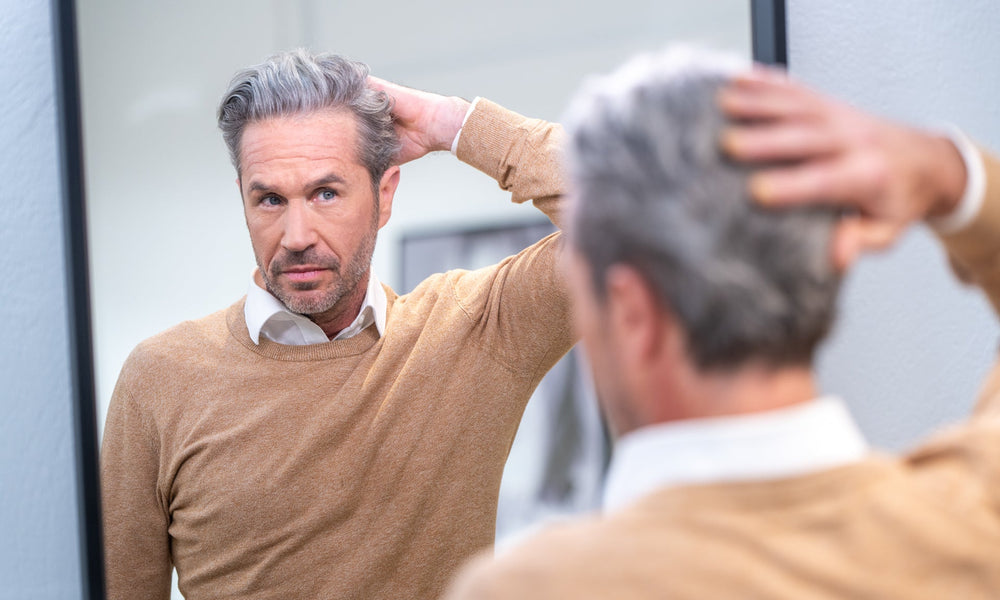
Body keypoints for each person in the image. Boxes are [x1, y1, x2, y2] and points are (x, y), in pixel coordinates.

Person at [443, 47, 1000, 599]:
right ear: (833, 254)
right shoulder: (974, 519)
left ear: (634, 313)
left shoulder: (534, 588)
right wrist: (948, 172)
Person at [100, 49, 573, 600]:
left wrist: (454, 124)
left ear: (385, 193)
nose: (296, 234)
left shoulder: (475, 332)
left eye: (326, 193)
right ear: (243, 202)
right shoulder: (160, 379)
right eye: (270, 199)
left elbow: (661, 217)